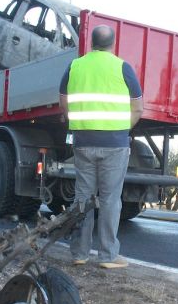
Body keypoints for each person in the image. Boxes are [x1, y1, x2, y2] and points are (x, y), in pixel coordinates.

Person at [59, 25, 144, 269]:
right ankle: (107, 256)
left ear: (92, 44)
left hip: (83, 142)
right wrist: (120, 129)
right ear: (112, 44)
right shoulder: (122, 67)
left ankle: (79, 253)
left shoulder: (75, 66)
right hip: (114, 144)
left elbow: (63, 101)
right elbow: (138, 108)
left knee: (83, 197)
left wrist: (77, 123)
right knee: (109, 200)